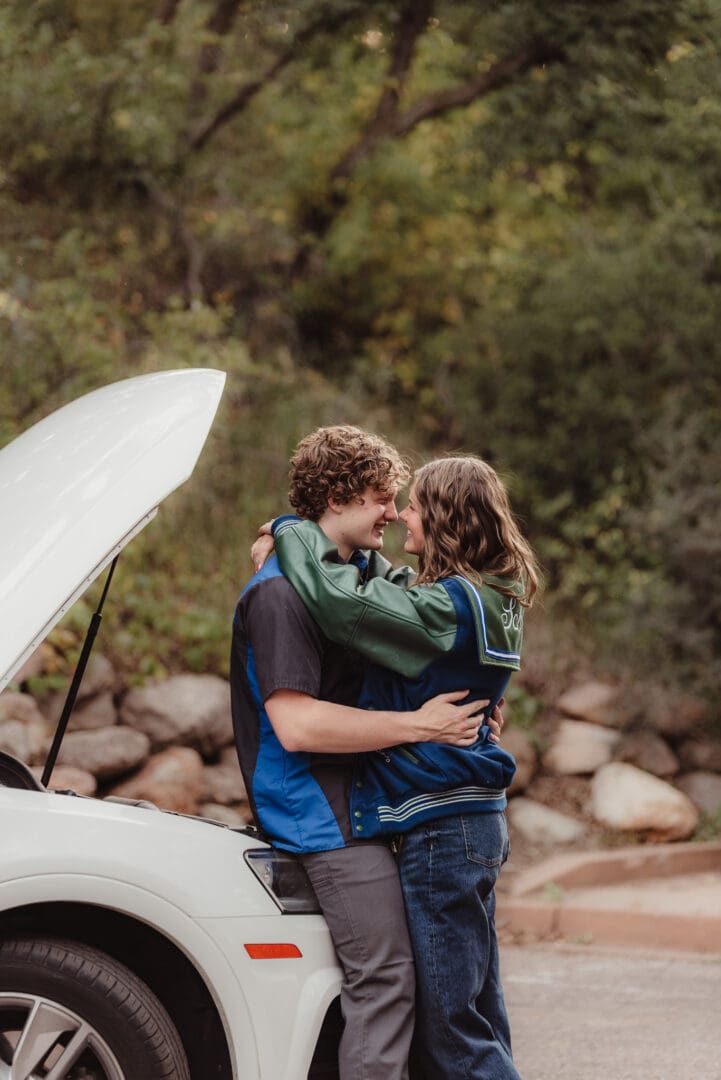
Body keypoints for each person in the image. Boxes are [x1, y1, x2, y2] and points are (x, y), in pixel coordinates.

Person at [230, 427, 495, 1080]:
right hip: (315, 802)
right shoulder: (281, 594)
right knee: (385, 978)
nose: (394, 512)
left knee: (437, 981)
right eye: (382, 497)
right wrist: (420, 726)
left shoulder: (347, 576)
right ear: (340, 497)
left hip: (363, 796)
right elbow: (296, 726)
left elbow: (419, 615)